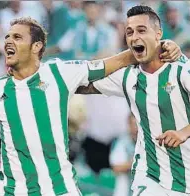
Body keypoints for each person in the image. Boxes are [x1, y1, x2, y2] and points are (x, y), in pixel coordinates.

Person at [0, 17, 179, 196]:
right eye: (7, 36)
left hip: (61, 189)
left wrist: (159, 46)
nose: (8, 41)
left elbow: (113, 62)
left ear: (37, 46)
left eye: (17, 37)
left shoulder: (59, 73)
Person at [77, 5, 190, 196]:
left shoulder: (181, 69)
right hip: (149, 176)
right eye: (129, 32)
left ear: (158, 34)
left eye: (141, 30)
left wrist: (184, 132)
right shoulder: (128, 77)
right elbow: (81, 84)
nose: (134, 36)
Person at [109, 114, 138, 196]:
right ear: (128, 125)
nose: (136, 128)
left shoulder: (147, 143)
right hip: (123, 191)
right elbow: (116, 167)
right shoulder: (122, 142)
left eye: (138, 125)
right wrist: (138, 162)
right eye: (133, 124)